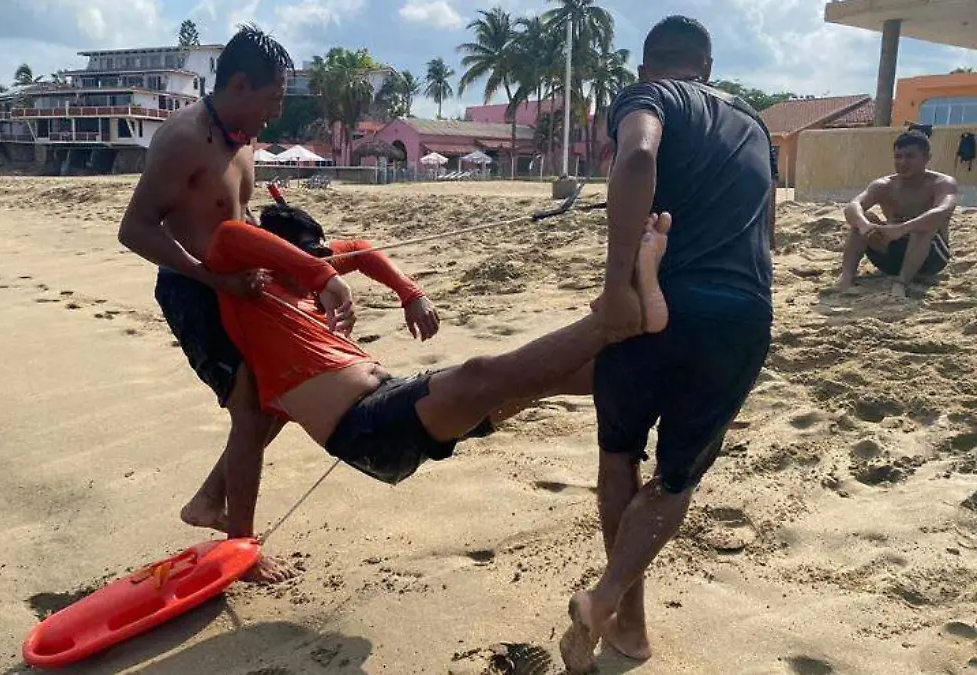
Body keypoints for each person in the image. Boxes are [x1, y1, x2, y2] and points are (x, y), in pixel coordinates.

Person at [561, 16, 777, 673]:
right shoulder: (755, 124)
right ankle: (616, 612)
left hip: (651, 309)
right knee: (676, 475)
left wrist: (617, 281)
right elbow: (769, 230)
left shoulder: (650, 96)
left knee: (618, 452)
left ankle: (624, 614)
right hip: (739, 313)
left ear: (644, 65)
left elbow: (637, 156)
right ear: (708, 68)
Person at [196, 210, 670, 487]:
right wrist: (324, 277)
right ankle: (610, 316)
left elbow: (359, 248)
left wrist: (410, 291)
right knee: (484, 372)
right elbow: (228, 235)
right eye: (303, 260)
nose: (317, 267)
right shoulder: (248, 292)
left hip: (392, 399)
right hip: (364, 430)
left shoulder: (306, 273)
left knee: (542, 381)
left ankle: (654, 368)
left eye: (320, 257)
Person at [116, 24, 304, 584]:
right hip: (193, 290)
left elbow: (237, 223)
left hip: (246, 289)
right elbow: (134, 229)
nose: (274, 115)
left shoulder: (243, 138)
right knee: (250, 410)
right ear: (240, 84)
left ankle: (208, 501)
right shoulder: (182, 139)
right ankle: (241, 548)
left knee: (280, 398)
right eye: (272, 100)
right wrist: (211, 279)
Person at [833, 130, 957, 298]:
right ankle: (846, 277)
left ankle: (901, 283)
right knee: (864, 218)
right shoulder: (884, 185)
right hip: (890, 257)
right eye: (898, 157)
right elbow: (852, 207)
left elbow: (943, 211)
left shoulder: (941, 183)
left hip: (930, 258)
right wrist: (864, 226)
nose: (903, 162)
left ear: (927, 158)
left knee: (924, 224)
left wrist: (902, 228)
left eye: (910, 156)